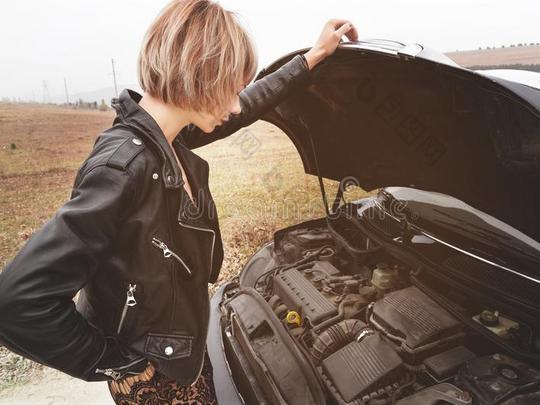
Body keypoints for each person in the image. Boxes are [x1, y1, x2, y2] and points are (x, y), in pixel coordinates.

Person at [0, 0, 357, 403]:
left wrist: (313, 57)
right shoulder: (123, 168)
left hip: (179, 347)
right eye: (230, 88)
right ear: (201, 77)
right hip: (157, 380)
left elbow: (249, 106)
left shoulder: (169, 138)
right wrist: (118, 364)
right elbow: (17, 303)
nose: (236, 103)